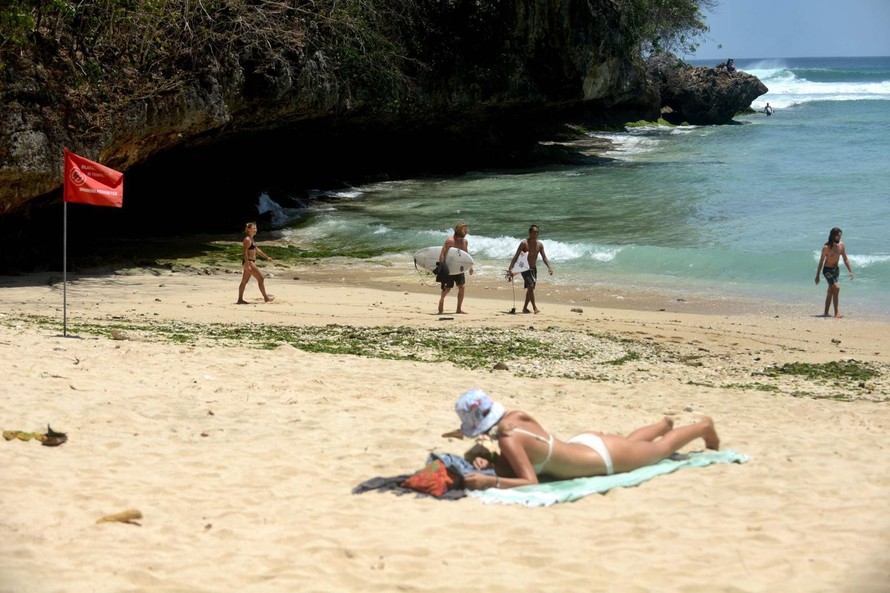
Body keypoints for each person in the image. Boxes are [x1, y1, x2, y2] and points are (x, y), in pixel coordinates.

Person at [454, 389, 720, 490]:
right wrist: (488, 457)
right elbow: (527, 452)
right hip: (586, 444)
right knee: (633, 444)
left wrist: (491, 480)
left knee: (662, 449)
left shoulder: (508, 441)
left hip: (603, 459)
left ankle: (702, 427)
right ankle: (663, 423)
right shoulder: (516, 417)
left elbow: (529, 481)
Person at [507, 224, 553, 314]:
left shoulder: (539, 245)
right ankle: (534, 307)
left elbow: (544, 257)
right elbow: (516, 256)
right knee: (531, 286)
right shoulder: (524, 244)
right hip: (525, 269)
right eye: (534, 232)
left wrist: (549, 267)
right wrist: (511, 267)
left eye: (537, 232)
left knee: (531, 288)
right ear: (530, 232)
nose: (536, 234)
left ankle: (524, 308)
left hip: (533, 268)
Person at [815, 227, 853, 318]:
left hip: (836, 270)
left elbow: (845, 258)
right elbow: (821, 262)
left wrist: (850, 271)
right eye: (838, 236)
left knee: (831, 291)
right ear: (833, 236)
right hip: (827, 270)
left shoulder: (841, 245)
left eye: (840, 236)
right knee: (836, 287)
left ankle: (826, 312)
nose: (840, 238)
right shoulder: (826, 247)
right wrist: (817, 275)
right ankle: (837, 313)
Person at [437, 222, 473, 314]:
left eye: (466, 230)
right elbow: (442, 254)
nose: (466, 232)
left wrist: (470, 267)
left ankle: (458, 309)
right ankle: (441, 300)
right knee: (448, 288)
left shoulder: (465, 242)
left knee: (462, 287)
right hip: (449, 268)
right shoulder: (450, 241)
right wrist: (442, 266)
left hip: (459, 268)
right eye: (464, 230)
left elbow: (466, 255)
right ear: (458, 230)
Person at [237, 222, 274, 304]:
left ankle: (240, 300)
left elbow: (257, 250)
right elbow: (245, 252)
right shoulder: (247, 239)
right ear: (249, 229)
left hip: (250, 262)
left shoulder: (251, 239)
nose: (255, 230)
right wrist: (247, 263)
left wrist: (266, 257)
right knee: (261, 278)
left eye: (256, 228)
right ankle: (266, 298)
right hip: (249, 262)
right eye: (253, 228)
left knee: (244, 281)